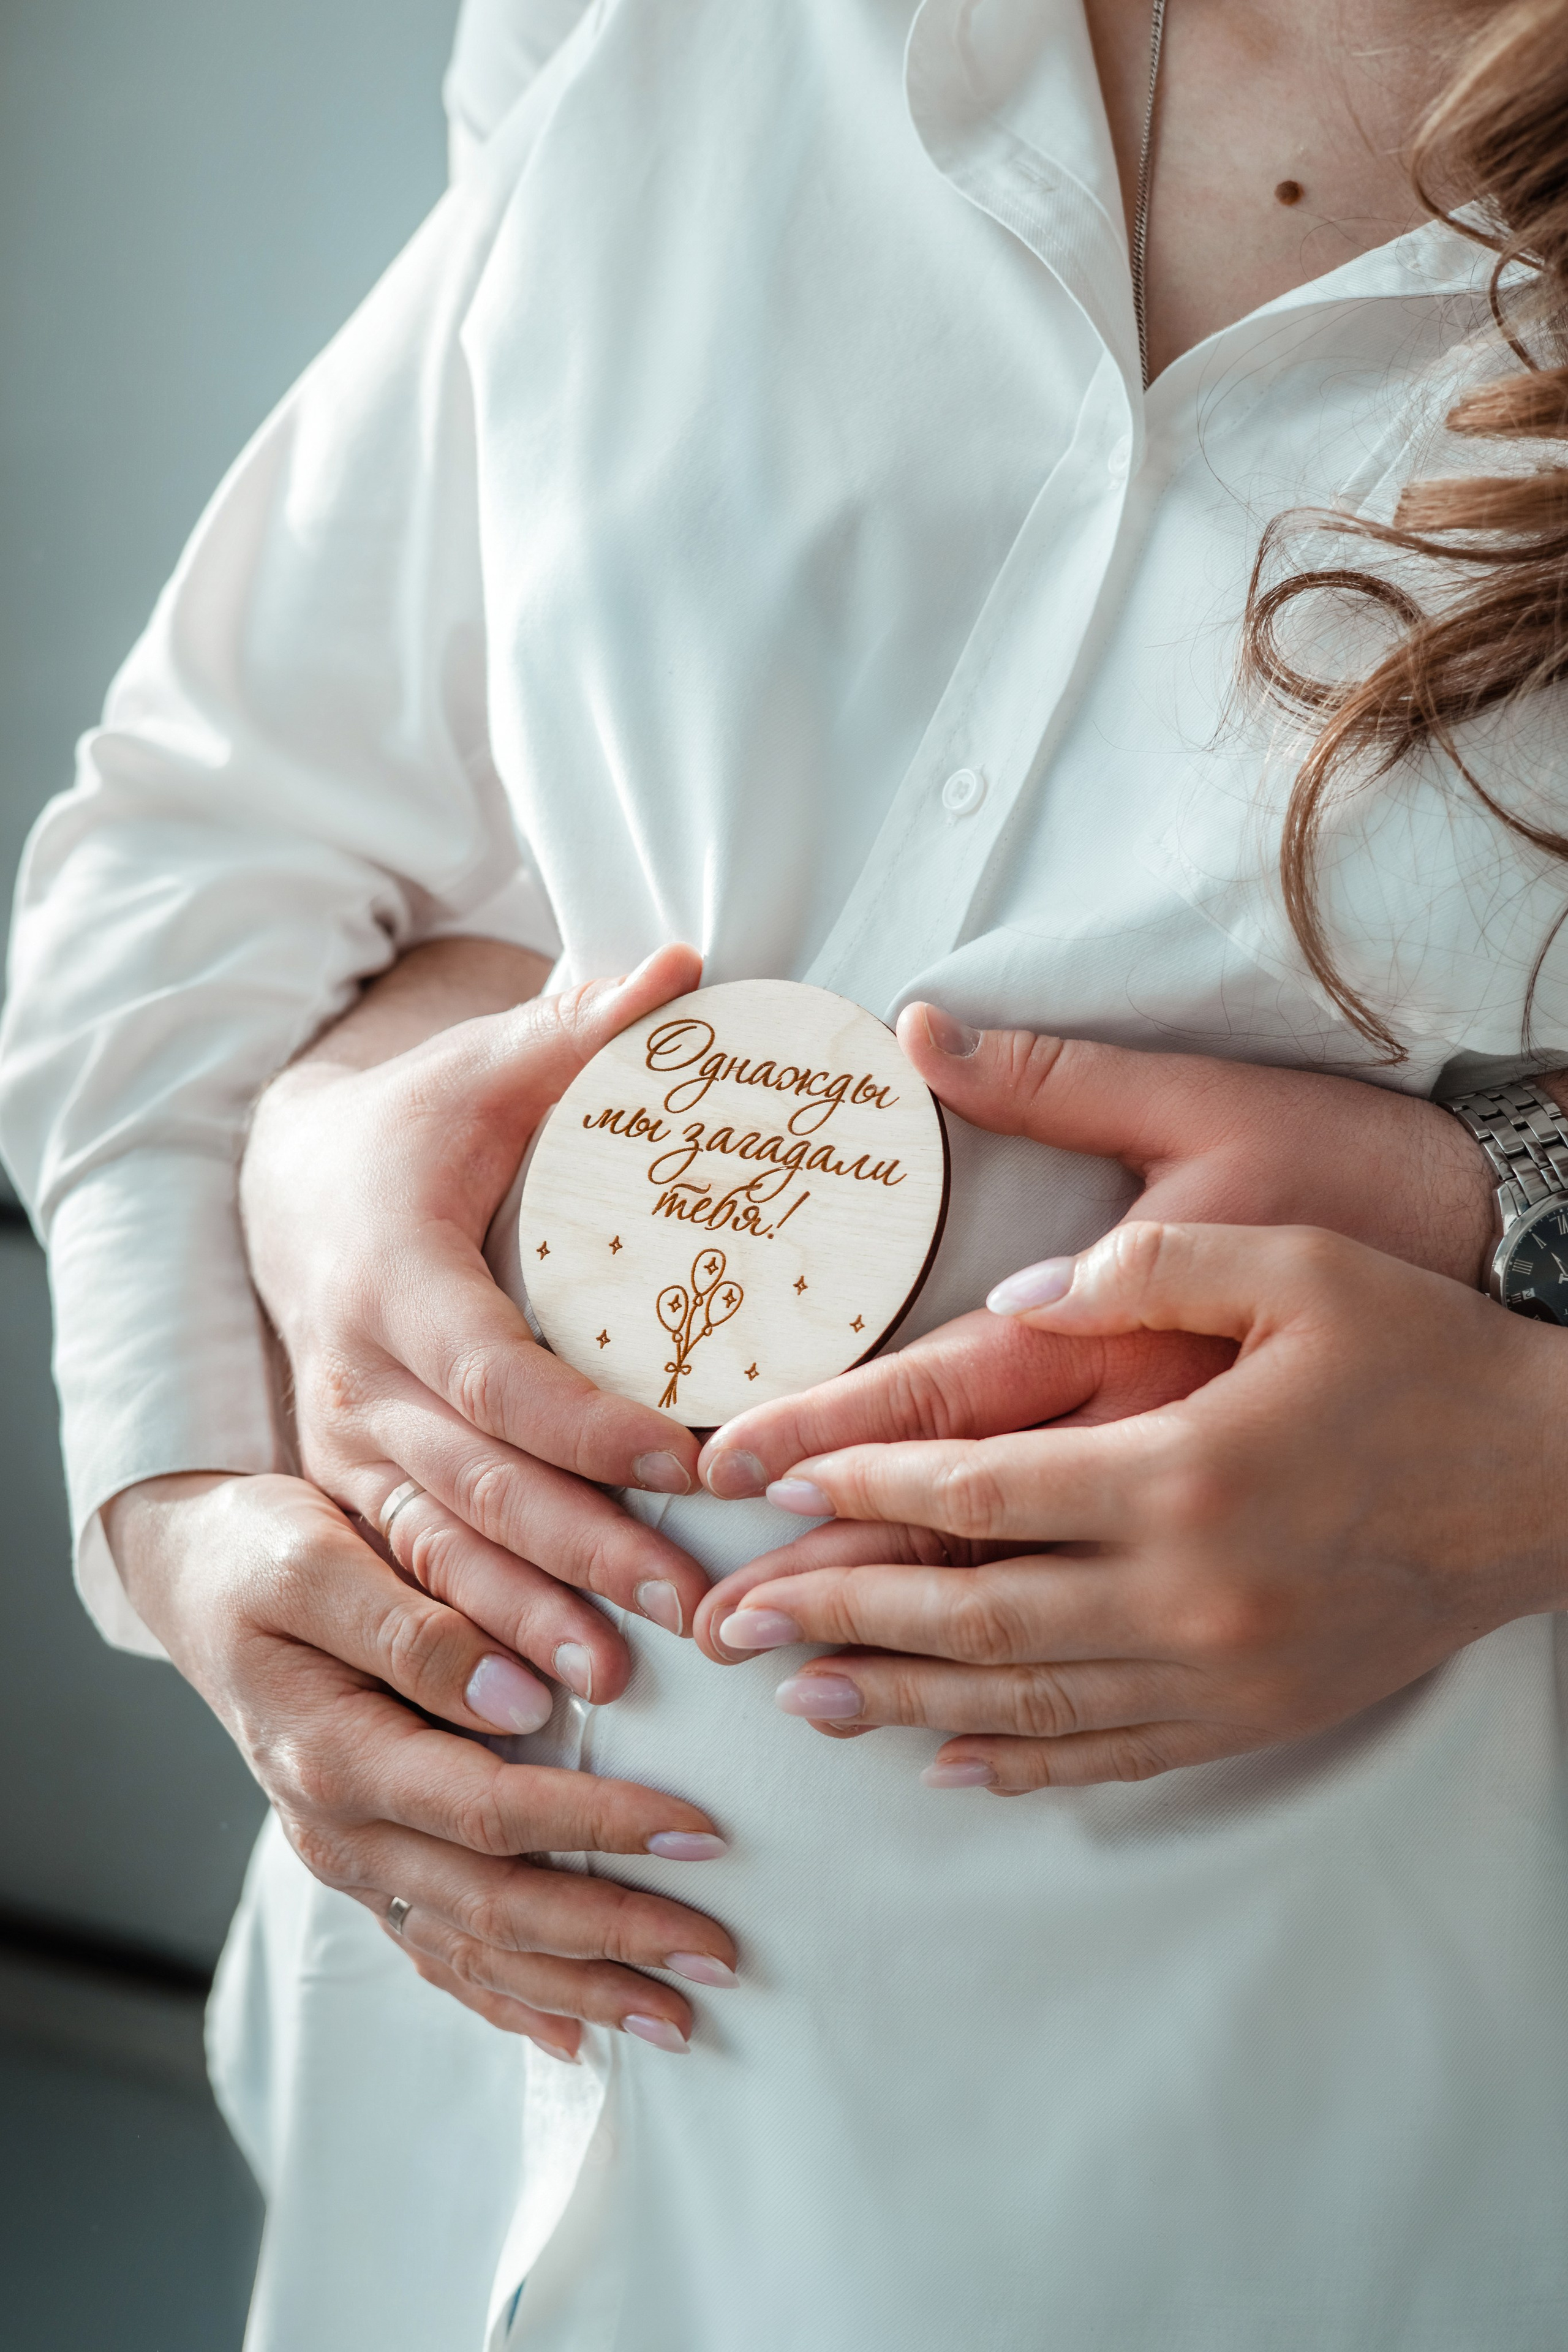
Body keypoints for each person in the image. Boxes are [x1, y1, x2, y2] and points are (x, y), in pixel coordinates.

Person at [5, 0, 1568, 2344]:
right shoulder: (684, 35)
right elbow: (234, 814)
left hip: (1249, 2173)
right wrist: (205, 1473)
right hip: (440, 2119)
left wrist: (1540, 1446)